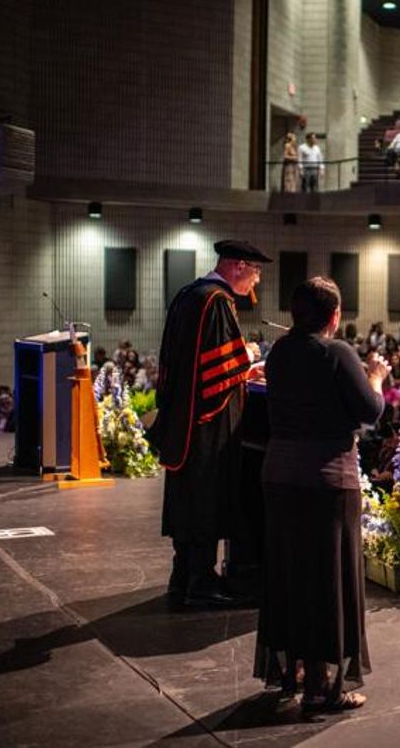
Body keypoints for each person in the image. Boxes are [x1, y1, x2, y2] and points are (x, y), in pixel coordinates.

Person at [253, 276, 387, 713]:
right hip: (326, 481)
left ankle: (291, 674)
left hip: (278, 476)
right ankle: (323, 687)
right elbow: (370, 411)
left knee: (290, 575)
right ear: (334, 316)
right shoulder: (337, 351)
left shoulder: (280, 353)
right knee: (329, 582)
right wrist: (377, 377)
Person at [149, 239, 269, 608]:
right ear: (237, 266)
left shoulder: (189, 294)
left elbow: (187, 363)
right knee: (206, 498)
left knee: (188, 498)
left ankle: (182, 576)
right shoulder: (216, 301)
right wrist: (247, 355)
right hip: (208, 423)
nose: (257, 281)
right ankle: (201, 584)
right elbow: (215, 370)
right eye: (255, 271)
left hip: (182, 417)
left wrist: (241, 366)